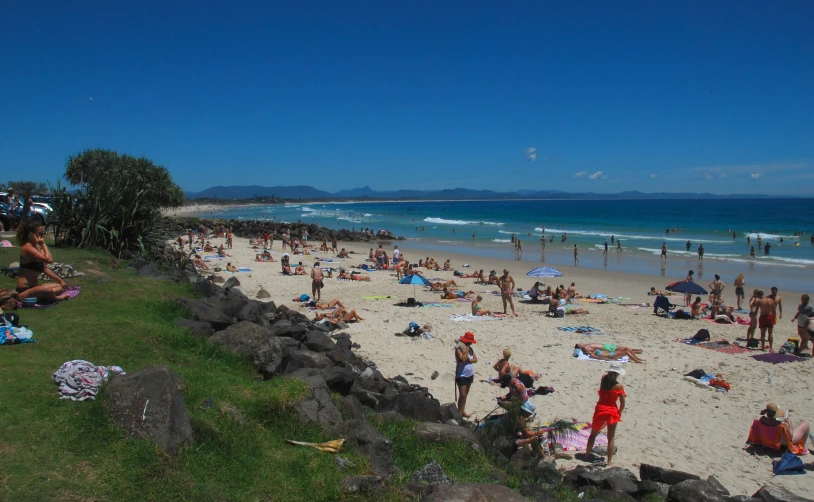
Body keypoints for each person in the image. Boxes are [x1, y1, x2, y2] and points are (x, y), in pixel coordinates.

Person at [581, 363, 626, 466]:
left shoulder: (603, 380)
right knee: (610, 437)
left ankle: (586, 455)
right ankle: (609, 461)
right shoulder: (619, 386)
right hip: (612, 411)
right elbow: (622, 403)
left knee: (593, 435)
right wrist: (619, 413)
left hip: (600, 409)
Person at [15, 221, 69, 302]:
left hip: (34, 287)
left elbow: (45, 268)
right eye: (40, 233)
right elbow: (49, 260)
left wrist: (60, 280)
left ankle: (43, 296)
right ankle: (55, 298)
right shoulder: (28, 248)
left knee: (61, 287)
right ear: (31, 234)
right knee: (48, 290)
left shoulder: (36, 247)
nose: (42, 235)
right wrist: (43, 244)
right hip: (24, 290)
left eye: (43, 233)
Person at [455, 332, 478, 418]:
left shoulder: (471, 350)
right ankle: (459, 412)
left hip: (470, 374)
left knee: (465, 395)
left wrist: (469, 360)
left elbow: (475, 359)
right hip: (461, 375)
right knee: (462, 395)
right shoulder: (459, 349)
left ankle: (462, 410)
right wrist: (467, 351)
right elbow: (463, 359)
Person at [575, 343, 645, 363]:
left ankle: (638, 359)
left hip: (611, 353)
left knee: (627, 349)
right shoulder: (591, 354)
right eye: (587, 348)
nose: (589, 347)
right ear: (586, 350)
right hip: (612, 356)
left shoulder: (593, 350)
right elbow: (598, 358)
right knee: (626, 351)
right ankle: (638, 361)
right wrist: (609, 360)